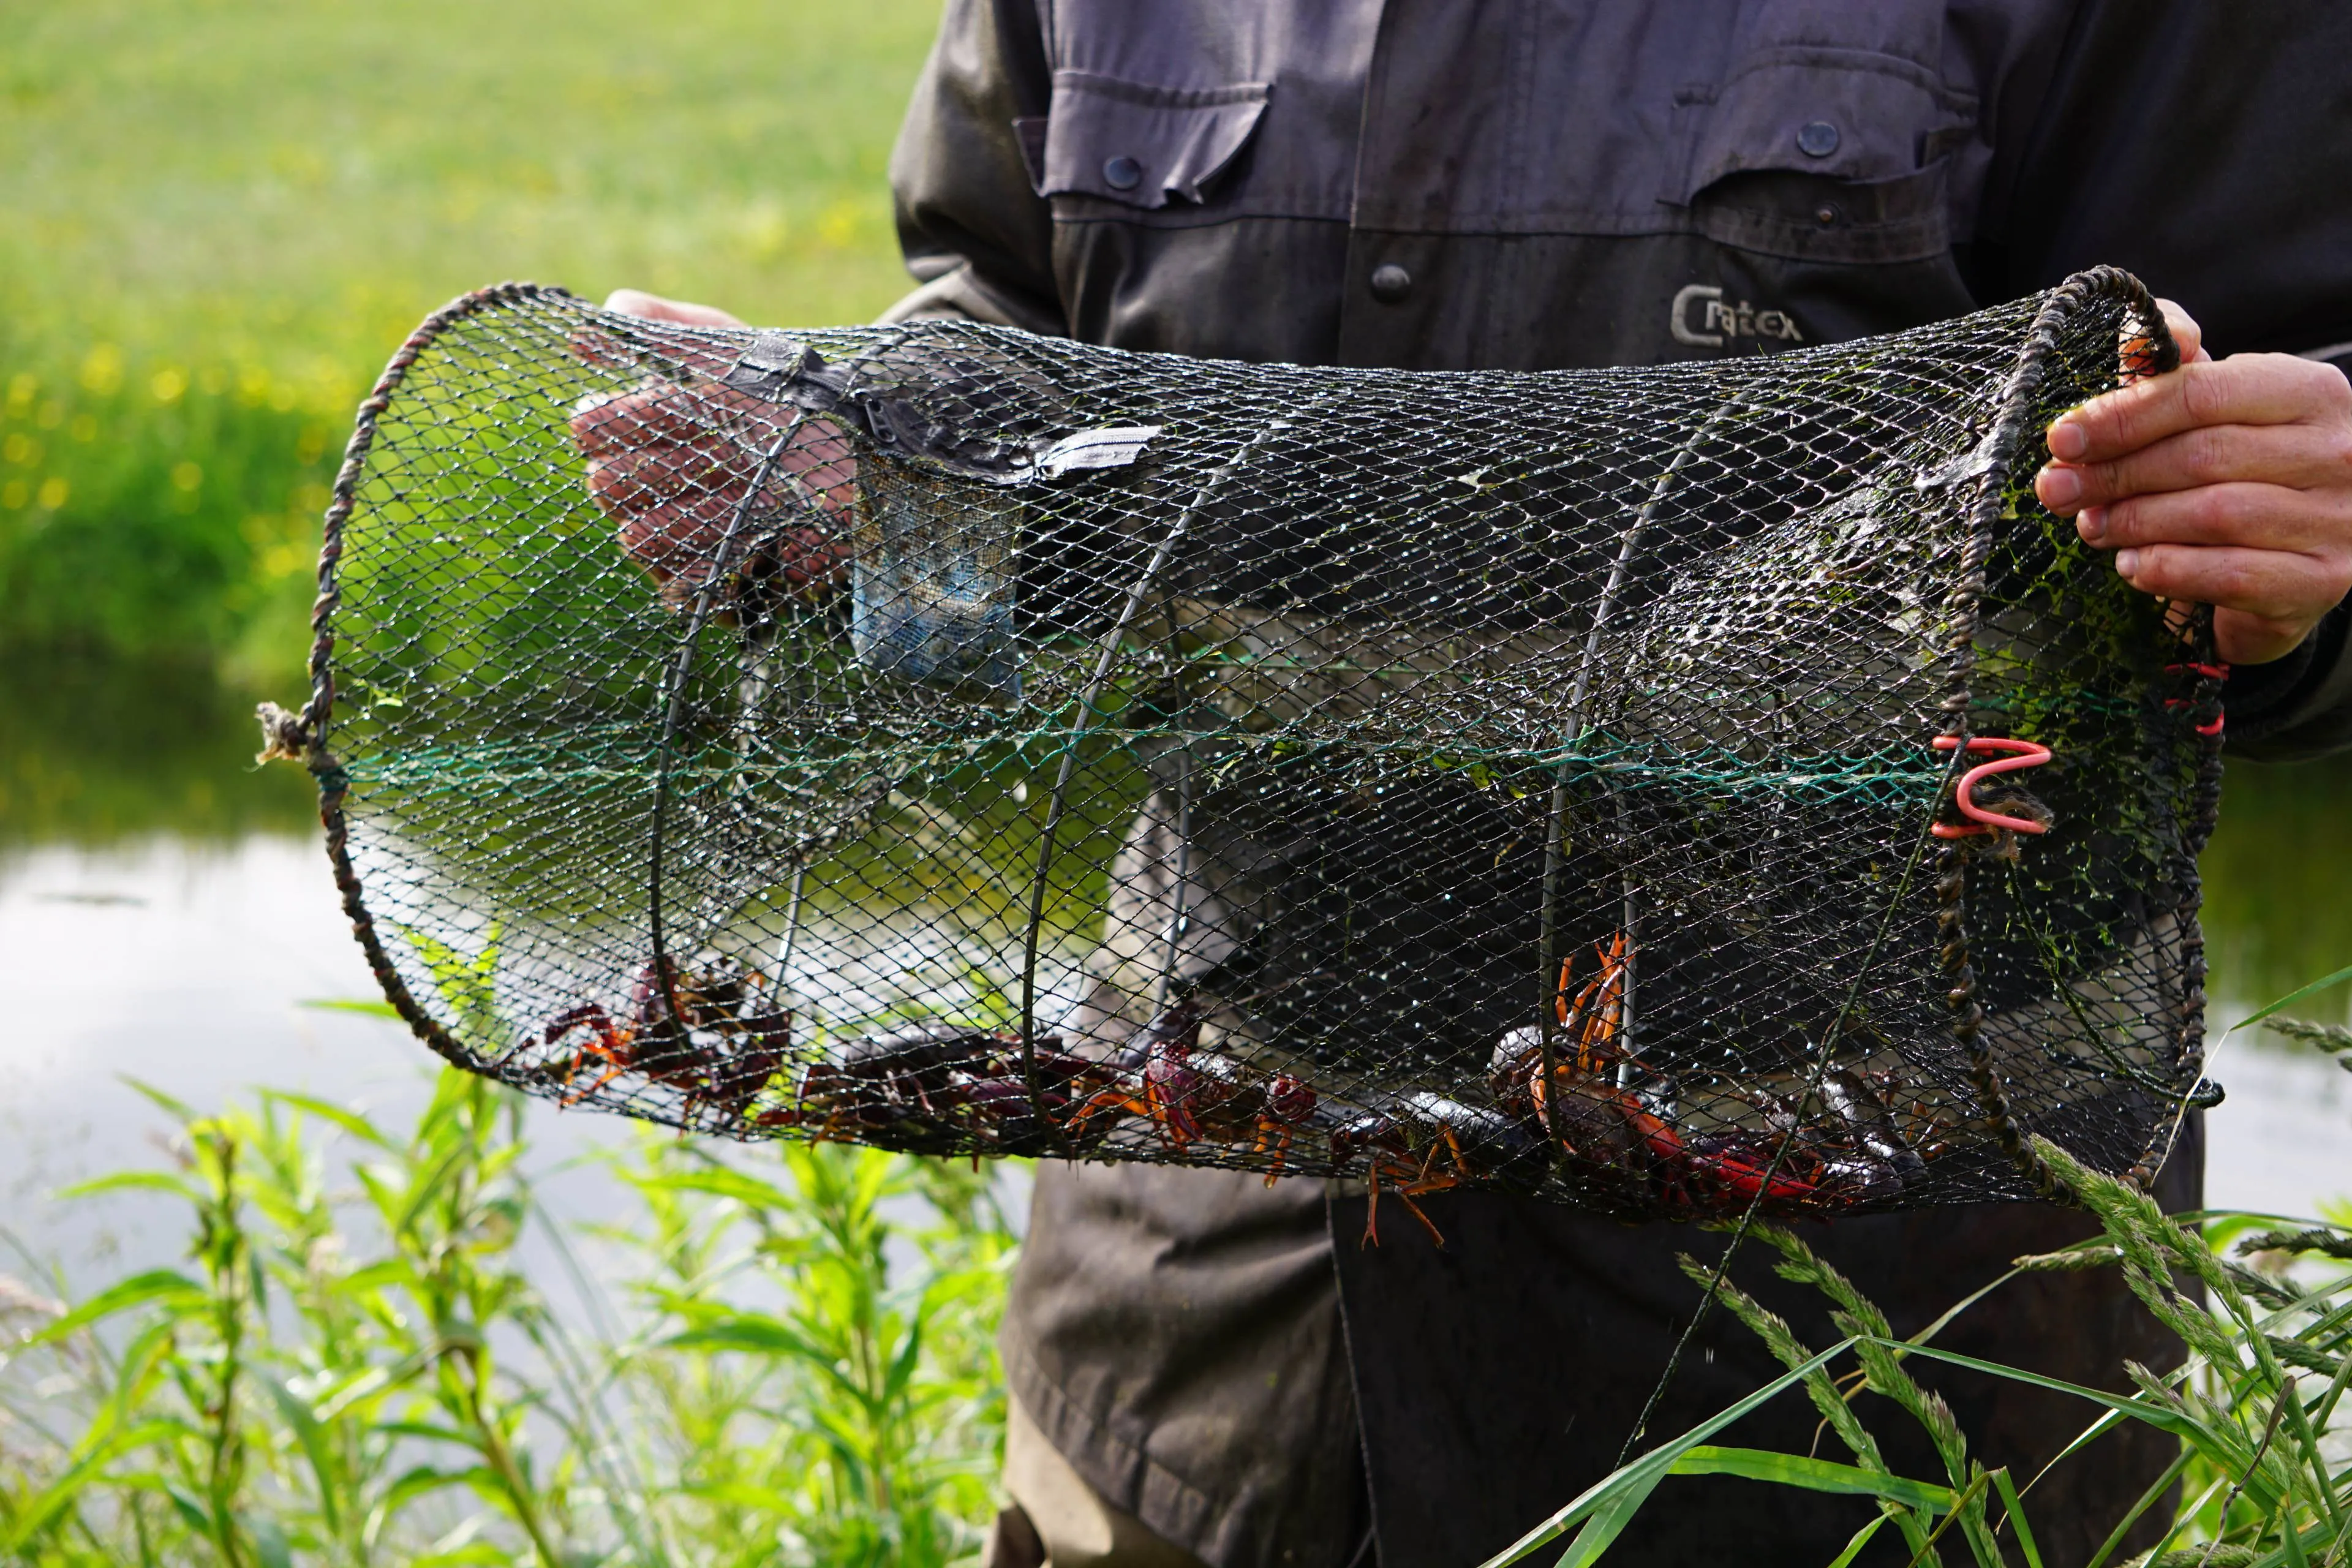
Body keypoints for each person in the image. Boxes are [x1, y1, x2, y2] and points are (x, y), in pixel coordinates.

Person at [584, 3, 2352, 1562]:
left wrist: (2301, 565)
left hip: (1853, 1356)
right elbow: (1002, 348)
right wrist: (848, 498)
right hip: (1197, 1297)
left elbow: (2277, 463)